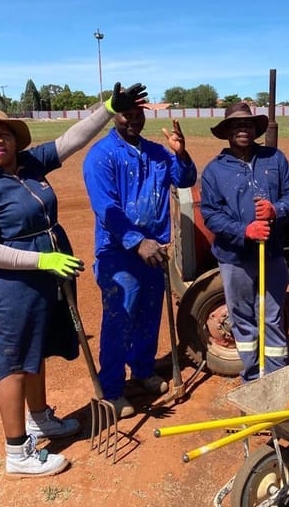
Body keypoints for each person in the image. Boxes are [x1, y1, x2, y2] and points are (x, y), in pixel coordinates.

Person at [0, 82, 148, 477]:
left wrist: (108, 108)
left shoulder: (27, 165)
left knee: (36, 352)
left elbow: (70, 141)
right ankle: (16, 452)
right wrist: (43, 260)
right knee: (13, 364)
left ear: (14, 139)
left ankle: (39, 418)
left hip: (47, 278)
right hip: (13, 289)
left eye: (3, 133)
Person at [82, 106, 196, 418]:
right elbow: (106, 208)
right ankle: (112, 389)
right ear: (113, 117)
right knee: (121, 318)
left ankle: (143, 371)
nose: (133, 119)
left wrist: (182, 154)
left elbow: (184, 178)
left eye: (138, 114)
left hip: (154, 249)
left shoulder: (157, 152)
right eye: (125, 114)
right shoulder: (100, 155)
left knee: (149, 314)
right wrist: (136, 242)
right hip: (118, 252)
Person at [200, 102, 289, 381]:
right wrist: (245, 231)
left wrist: (275, 211)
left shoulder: (274, 159)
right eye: (236, 125)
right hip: (235, 259)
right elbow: (211, 214)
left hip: (271, 254)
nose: (242, 130)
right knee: (243, 319)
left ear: (254, 129)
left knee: (272, 315)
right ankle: (252, 377)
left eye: (246, 124)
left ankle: (276, 376)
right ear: (227, 132)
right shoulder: (214, 170)